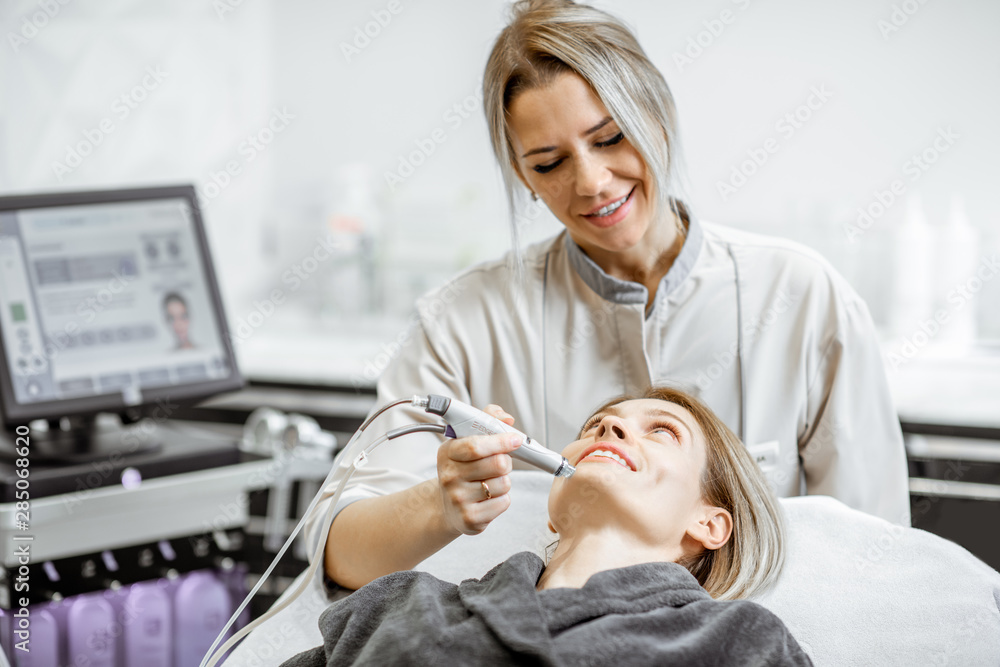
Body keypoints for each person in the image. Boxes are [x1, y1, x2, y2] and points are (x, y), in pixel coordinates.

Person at [308, 0, 909, 591]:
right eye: (549, 163)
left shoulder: (801, 299)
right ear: (523, 175)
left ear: (660, 113)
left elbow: (876, 555)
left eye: (612, 136)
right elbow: (339, 554)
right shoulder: (464, 323)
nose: (592, 183)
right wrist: (438, 507)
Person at [285, 387, 812, 666]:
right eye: (596, 426)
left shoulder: (741, 642)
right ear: (554, 506)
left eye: (662, 431)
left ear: (710, 523)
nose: (612, 426)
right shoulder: (398, 604)